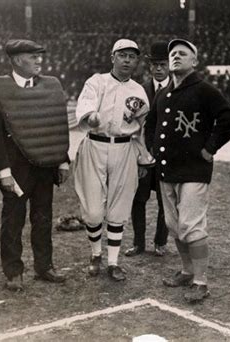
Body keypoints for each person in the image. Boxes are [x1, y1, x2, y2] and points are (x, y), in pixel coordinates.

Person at [145, 39, 230, 303]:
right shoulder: (163, 93)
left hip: (194, 171)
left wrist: (210, 148)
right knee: (173, 225)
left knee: (192, 226)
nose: (175, 57)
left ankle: (201, 281)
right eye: (173, 53)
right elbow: (151, 123)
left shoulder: (204, 89)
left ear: (194, 61)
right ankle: (187, 271)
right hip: (167, 170)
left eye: (182, 54)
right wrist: (152, 148)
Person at [0, 39, 70, 291]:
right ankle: (13, 271)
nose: (39, 61)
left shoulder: (50, 87)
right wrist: (3, 171)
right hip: (16, 170)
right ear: (18, 60)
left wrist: (62, 161)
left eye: (39, 56)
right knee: (13, 221)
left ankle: (44, 267)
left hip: (44, 167)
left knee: (43, 218)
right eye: (33, 57)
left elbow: (57, 126)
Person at [74, 39, 153, 281]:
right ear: (112, 57)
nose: (127, 60)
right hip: (95, 144)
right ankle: (95, 254)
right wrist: (92, 116)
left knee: (120, 206)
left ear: (137, 61)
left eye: (132, 56)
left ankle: (113, 261)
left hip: (124, 148)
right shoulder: (96, 82)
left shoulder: (139, 91)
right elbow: (85, 109)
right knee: (93, 209)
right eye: (123, 55)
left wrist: (142, 157)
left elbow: (142, 127)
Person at [125, 41, 170, 257]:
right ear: (149, 66)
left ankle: (160, 242)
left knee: (166, 201)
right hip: (142, 155)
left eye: (163, 64)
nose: (159, 69)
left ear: (170, 65)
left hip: (167, 157)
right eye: (155, 65)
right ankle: (138, 243)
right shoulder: (139, 90)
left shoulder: (178, 89)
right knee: (138, 199)